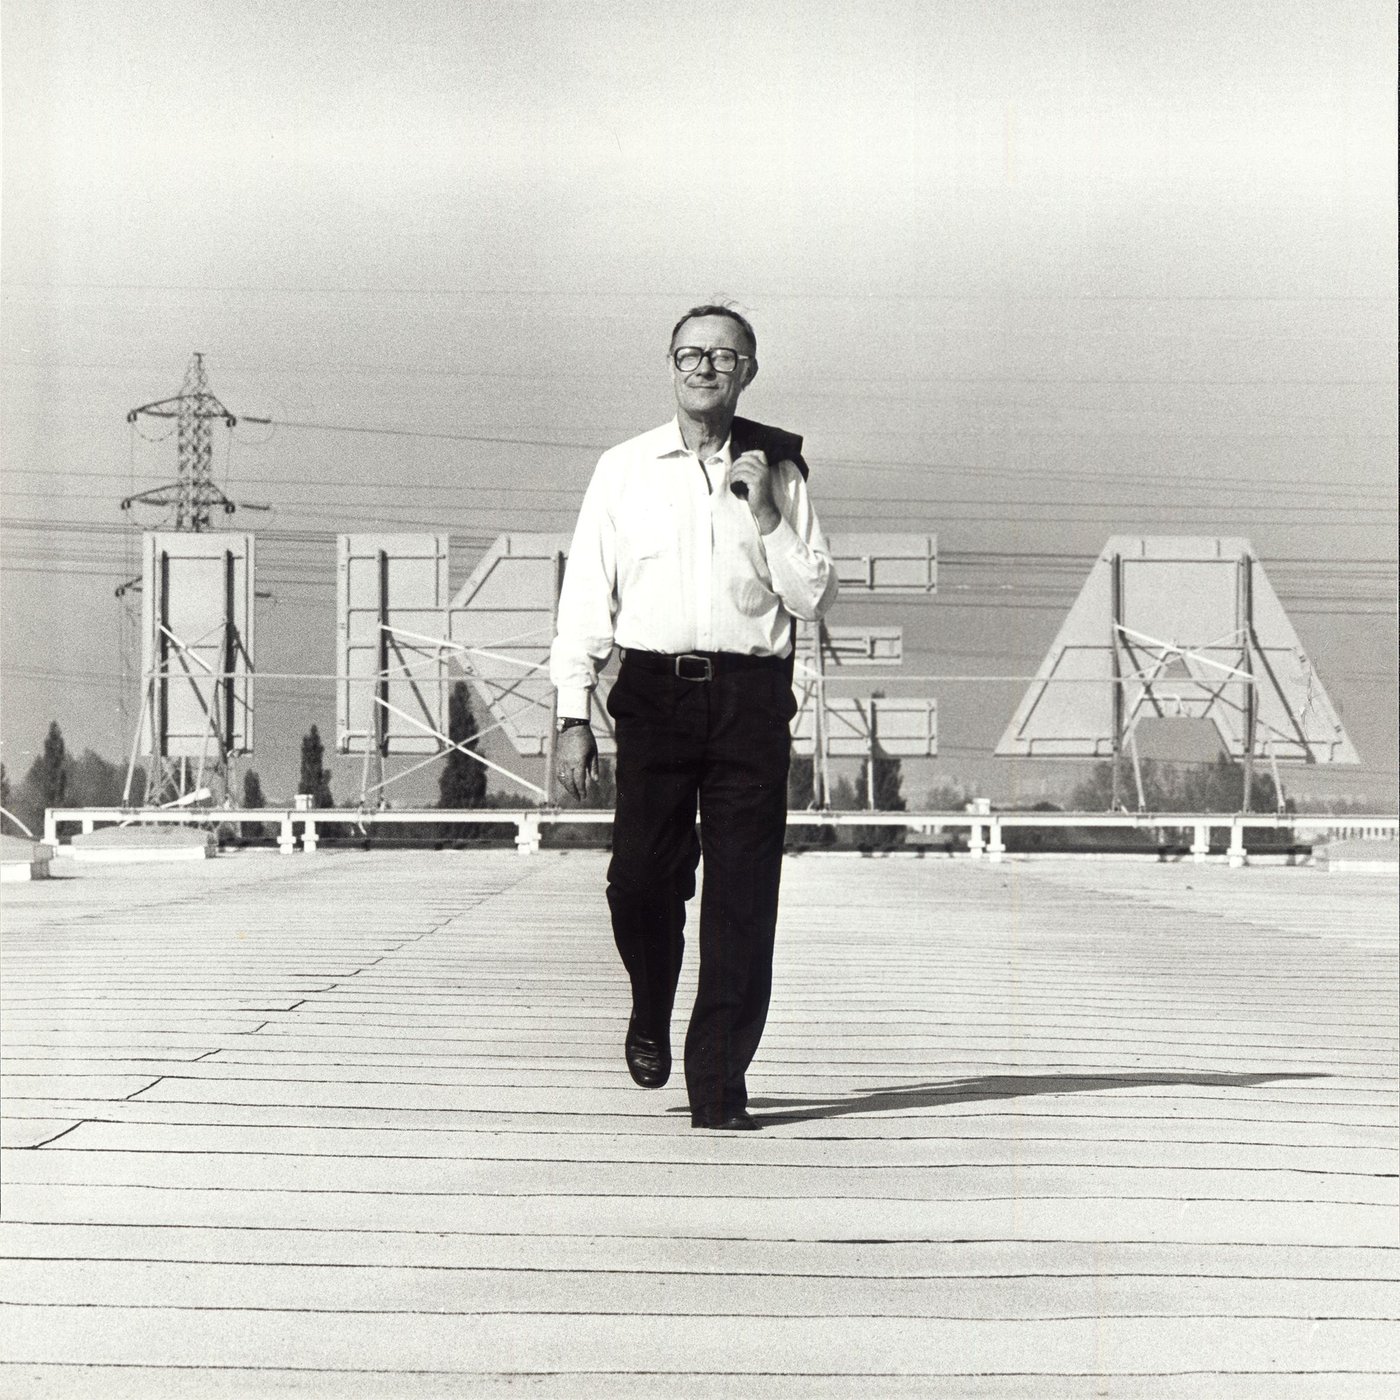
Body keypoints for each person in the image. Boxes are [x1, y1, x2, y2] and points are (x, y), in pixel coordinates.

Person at [549, 304, 838, 1130]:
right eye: (689, 354)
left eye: (723, 356)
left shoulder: (779, 472)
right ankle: (650, 1003)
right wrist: (573, 714)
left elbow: (813, 596)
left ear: (749, 372)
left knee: (743, 895)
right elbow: (586, 595)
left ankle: (717, 1087)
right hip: (654, 693)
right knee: (640, 880)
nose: (705, 368)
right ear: (671, 365)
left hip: (751, 697)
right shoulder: (624, 469)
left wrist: (767, 513)